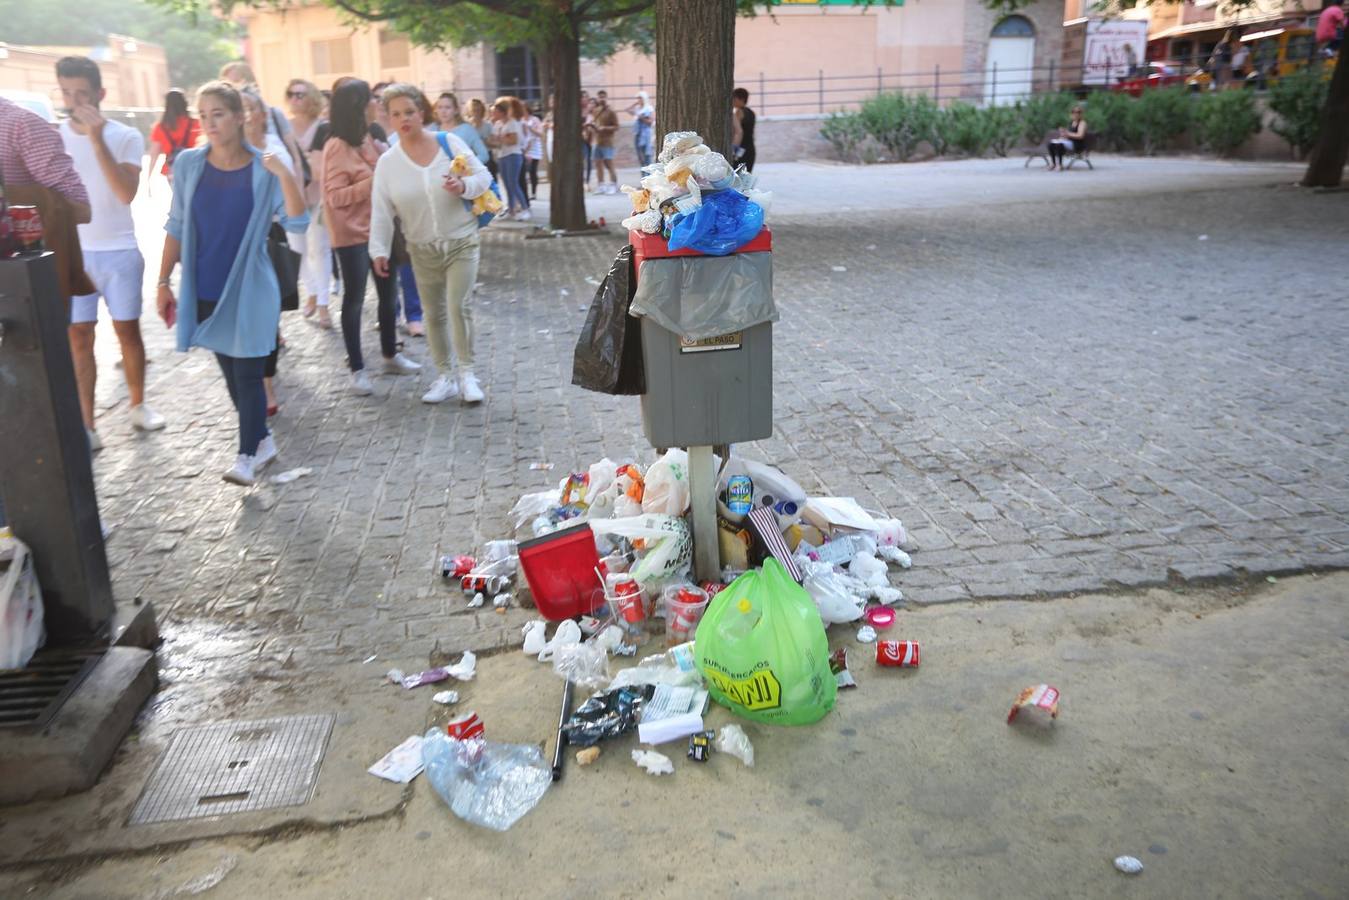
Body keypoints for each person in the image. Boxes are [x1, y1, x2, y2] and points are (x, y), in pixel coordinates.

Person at [154, 81, 308, 486]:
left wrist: (286, 174)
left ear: (241, 117)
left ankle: (245, 458)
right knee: (230, 375)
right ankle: (262, 441)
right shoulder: (188, 164)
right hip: (204, 286)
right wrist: (162, 280)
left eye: (217, 114)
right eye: (202, 116)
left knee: (248, 374)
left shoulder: (264, 167)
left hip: (253, 287)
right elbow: (176, 225)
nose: (209, 123)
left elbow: (298, 221)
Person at [56, 56, 167, 451]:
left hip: (119, 250)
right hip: (74, 253)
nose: (73, 102)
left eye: (81, 93)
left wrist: (96, 138)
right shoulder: (53, 136)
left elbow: (125, 193)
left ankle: (138, 404)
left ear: (100, 94)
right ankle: (87, 425)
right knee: (79, 337)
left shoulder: (124, 136)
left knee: (127, 332)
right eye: (66, 92)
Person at [370, 84, 490, 406]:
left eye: (409, 111)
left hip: (461, 241)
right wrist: (378, 250)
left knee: (457, 306)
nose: (403, 119)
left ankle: (467, 374)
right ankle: (445, 377)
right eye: (395, 114)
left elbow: (484, 177)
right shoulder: (388, 163)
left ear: (422, 113)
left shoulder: (448, 142)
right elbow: (381, 211)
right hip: (420, 248)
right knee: (432, 314)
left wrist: (463, 185)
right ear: (389, 120)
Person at [322, 77, 421, 395]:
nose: (377, 105)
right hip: (352, 236)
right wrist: (375, 180)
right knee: (353, 301)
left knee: (390, 295)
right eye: (371, 101)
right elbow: (335, 196)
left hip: (382, 229)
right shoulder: (336, 145)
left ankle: (391, 354)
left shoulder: (368, 138)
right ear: (358, 107)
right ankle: (357, 369)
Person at [242, 87, 302, 418]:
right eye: (240, 108)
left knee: (266, 314)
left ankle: (265, 383)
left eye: (251, 108)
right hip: (234, 241)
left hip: (268, 234)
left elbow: (289, 194)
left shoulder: (272, 148)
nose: (246, 114)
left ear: (262, 114)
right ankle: (253, 378)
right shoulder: (221, 151)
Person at [285, 78, 334, 328]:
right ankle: (313, 291)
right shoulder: (283, 126)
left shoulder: (323, 127)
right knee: (297, 251)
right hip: (291, 197)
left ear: (312, 97)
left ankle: (324, 304)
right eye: (291, 94)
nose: (295, 98)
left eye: (301, 94)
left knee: (321, 248)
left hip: (318, 194)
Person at [147, 89, 199, 191]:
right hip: (195, 168)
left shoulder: (160, 127)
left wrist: (149, 176)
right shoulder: (196, 123)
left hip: (172, 170)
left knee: (179, 201)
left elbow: (154, 154)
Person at [488, 96, 531, 220]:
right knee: (507, 184)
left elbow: (513, 140)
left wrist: (501, 139)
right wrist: (502, 138)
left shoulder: (512, 123)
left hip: (513, 155)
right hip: (502, 156)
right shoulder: (497, 124)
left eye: (495, 111)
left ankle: (525, 208)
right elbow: (492, 140)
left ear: (502, 112)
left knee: (514, 183)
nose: (492, 114)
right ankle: (511, 209)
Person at [434, 92, 490, 163]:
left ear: (456, 110)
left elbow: (484, 155)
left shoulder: (467, 130)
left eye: (447, 107)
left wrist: (466, 166)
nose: (443, 111)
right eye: (440, 107)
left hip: (461, 173)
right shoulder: (433, 130)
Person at [591, 90, 619, 194]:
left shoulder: (611, 111)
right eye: (599, 97)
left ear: (606, 98)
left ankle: (613, 185)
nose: (601, 99)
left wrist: (605, 128)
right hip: (596, 141)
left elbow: (616, 126)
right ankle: (601, 185)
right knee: (598, 164)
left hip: (608, 142)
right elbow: (595, 123)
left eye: (603, 97)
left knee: (609, 163)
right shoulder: (596, 110)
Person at [1047, 105, 1087, 171]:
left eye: (1078, 112)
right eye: (1074, 112)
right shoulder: (1071, 122)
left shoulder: (1082, 123)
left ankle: (1060, 165)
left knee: (1059, 145)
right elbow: (1068, 134)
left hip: (1077, 144)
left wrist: (1068, 134)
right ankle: (1053, 163)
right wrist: (1063, 134)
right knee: (1051, 144)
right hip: (1069, 142)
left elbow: (1080, 135)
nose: (1076, 114)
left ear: (1081, 114)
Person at [467, 98, 497, 180]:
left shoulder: (488, 125)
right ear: (470, 111)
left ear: (482, 110)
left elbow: (494, 143)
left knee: (489, 180)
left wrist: (486, 141)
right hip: (472, 156)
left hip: (487, 156)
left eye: (478, 110)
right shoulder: (467, 125)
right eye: (474, 110)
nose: (476, 112)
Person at [520, 104, 545, 201]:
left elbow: (540, 134)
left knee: (532, 171)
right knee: (524, 171)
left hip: (534, 147)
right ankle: (525, 192)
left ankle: (534, 192)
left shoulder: (535, 119)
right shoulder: (520, 120)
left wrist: (531, 128)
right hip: (524, 147)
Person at [626, 90, 655, 168]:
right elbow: (627, 110)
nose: (639, 100)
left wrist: (641, 118)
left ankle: (648, 174)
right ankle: (643, 174)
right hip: (637, 134)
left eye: (640, 98)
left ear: (644, 98)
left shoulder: (649, 108)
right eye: (638, 98)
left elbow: (651, 122)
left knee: (647, 154)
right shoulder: (637, 108)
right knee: (640, 155)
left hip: (646, 134)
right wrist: (635, 104)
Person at [732, 88, 757, 173]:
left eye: (734, 99)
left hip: (740, 149)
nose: (732, 102)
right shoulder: (751, 112)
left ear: (741, 99)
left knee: (737, 177)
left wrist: (734, 151)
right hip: (750, 148)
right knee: (746, 177)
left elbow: (738, 132)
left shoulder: (738, 112)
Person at [580, 92, 596, 191]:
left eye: (586, 97)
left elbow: (595, 122)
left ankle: (587, 181)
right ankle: (582, 181)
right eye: (583, 97)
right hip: (580, 138)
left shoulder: (591, 111)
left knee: (589, 160)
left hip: (590, 138)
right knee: (581, 160)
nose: (585, 99)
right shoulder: (577, 110)